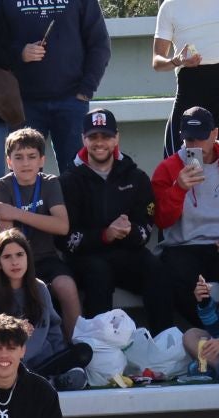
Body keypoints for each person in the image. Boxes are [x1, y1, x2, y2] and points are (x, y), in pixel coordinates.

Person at [61, 110, 174, 331]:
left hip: (126, 252)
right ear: (84, 139)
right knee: (98, 273)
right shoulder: (68, 181)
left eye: (106, 136)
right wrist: (105, 234)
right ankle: (99, 349)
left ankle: (163, 341)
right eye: (93, 137)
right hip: (85, 257)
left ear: (117, 138)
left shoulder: (136, 177)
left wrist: (129, 230)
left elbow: (145, 228)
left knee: (156, 269)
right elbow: (64, 239)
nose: (100, 143)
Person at [151, 106, 219, 328]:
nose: (194, 146)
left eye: (200, 138)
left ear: (215, 134)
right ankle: (212, 333)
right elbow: (161, 220)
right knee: (170, 275)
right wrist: (178, 189)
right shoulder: (168, 168)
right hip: (183, 245)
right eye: (189, 140)